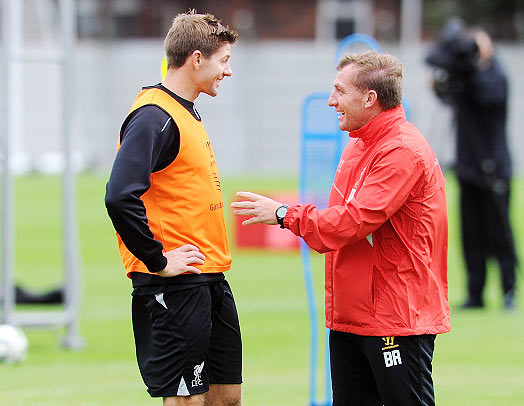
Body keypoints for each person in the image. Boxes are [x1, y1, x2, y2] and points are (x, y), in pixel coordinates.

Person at [232, 51, 450, 405]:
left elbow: (352, 222)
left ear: (369, 98)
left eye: (339, 91)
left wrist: (286, 214)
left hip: (394, 319)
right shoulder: (358, 144)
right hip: (351, 316)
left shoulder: (402, 150)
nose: (331, 101)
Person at [105, 10, 241, 406]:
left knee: (226, 397)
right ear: (196, 58)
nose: (228, 72)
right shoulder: (154, 116)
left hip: (208, 277)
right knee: (186, 401)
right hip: (174, 284)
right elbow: (119, 195)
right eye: (224, 61)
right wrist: (157, 260)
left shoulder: (186, 111)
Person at [426, 21, 517, 310]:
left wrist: (468, 72)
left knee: (499, 231)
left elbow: (487, 96)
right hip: (467, 167)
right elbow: (450, 97)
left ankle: (508, 290)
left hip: (494, 167)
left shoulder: (496, 75)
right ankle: (475, 293)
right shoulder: (464, 78)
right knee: (470, 235)